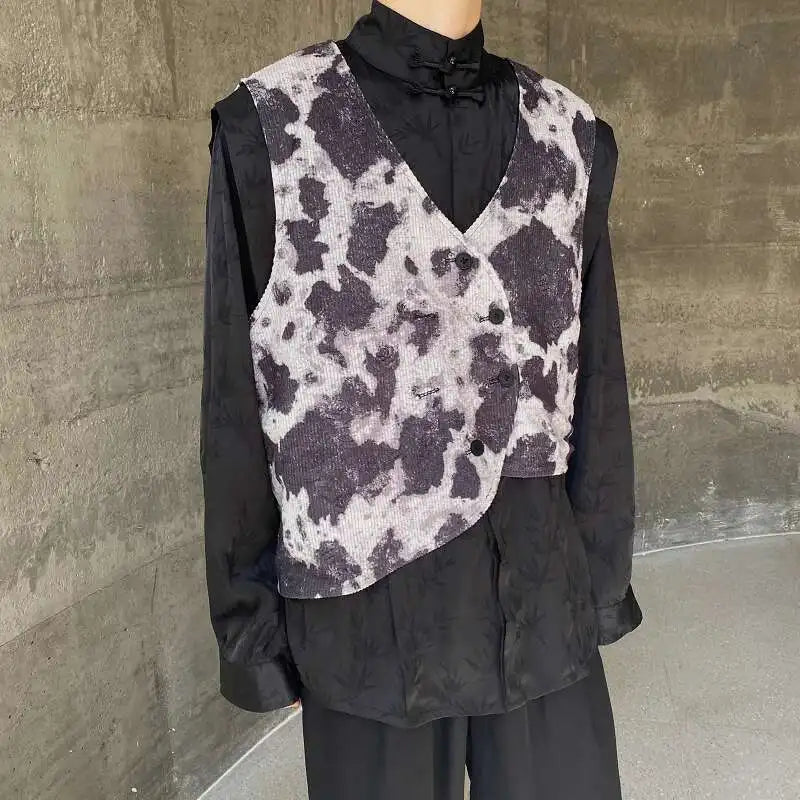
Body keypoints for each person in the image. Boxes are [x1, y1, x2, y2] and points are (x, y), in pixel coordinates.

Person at [200, 1, 643, 797]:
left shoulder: (573, 137)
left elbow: (598, 380)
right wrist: (253, 633)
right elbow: (235, 402)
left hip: (538, 602)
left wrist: (600, 585)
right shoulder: (268, 125)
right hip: (367, 626)